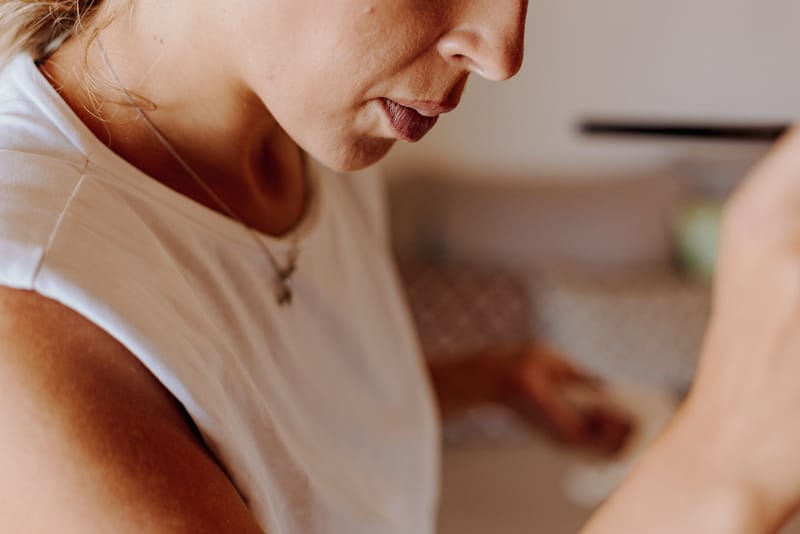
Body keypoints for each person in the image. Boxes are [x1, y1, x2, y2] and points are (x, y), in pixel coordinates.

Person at [0, 1, 796, 533]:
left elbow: (266, 410)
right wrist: (722, 465)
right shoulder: (28, 322)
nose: (501, 51)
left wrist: (488, 378)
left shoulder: (310, 131)